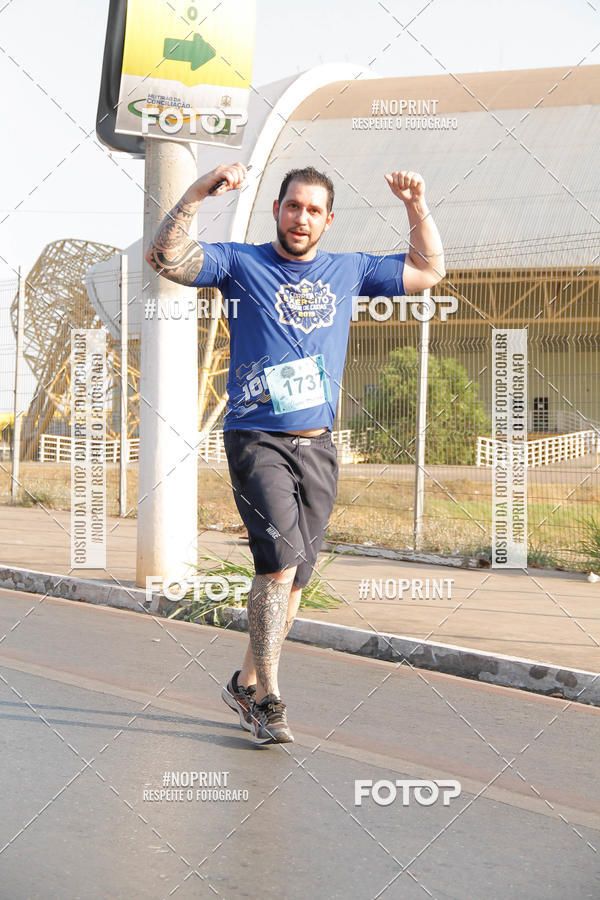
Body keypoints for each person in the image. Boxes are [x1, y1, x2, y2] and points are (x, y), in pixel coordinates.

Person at [145, 162, 445, 745]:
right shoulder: (241, 263)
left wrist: (416, 203)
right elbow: (168, 258)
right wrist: (197, 192)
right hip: (256, 437)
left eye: (313, 210)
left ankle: (246, 681)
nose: (301, 218)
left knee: (299, 575)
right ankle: (269, 700)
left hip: (318, 445)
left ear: (327, 220)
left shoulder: (349, 270)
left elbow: (429, 270)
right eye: (292, 206)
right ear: (277, 210)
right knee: (277, 563)